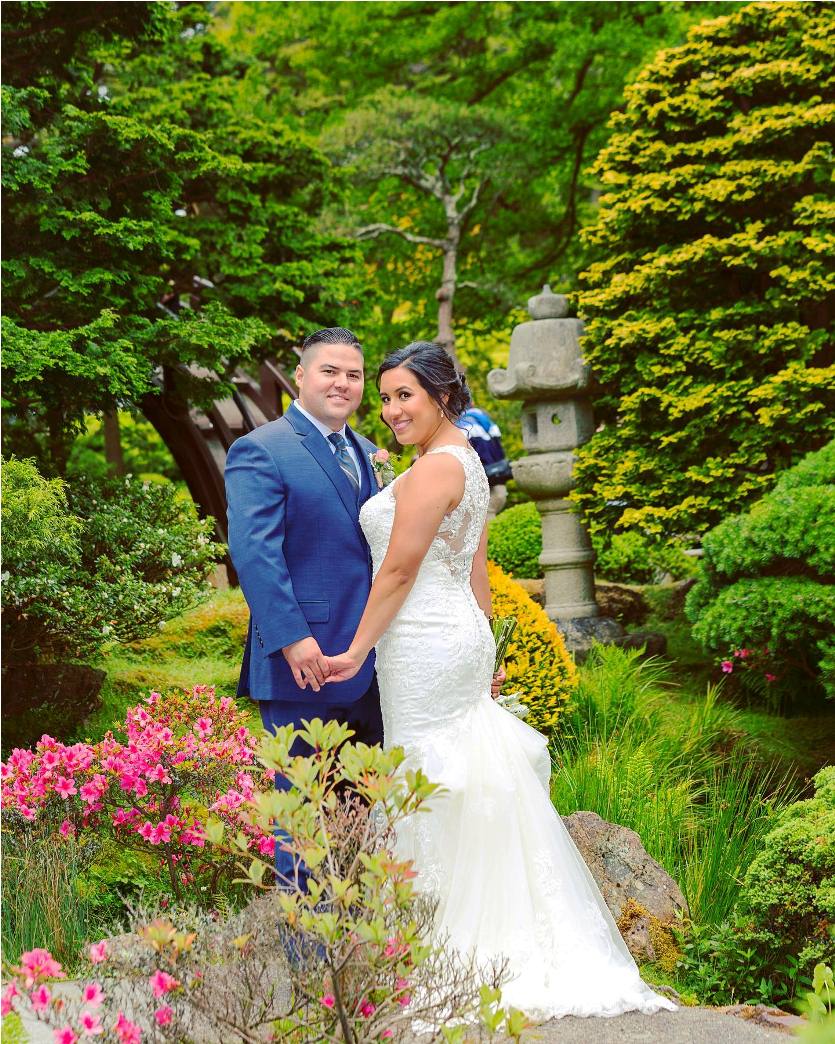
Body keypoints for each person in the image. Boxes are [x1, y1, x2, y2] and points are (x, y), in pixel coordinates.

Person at [323, 341, 676, 1020]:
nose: (391, 409)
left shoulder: (431, 473)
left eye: (405, 396)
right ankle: (453, 937)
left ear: (441, 396)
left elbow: (397, 572)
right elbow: (477, 572)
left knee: (429, 773)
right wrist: (487, 652)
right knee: (462, 772)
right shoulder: (466, 464)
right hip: (452, 636)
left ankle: (444, 948)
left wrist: (354, 651)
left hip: (422, 642)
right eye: (387, 396)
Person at [224, 327, 384, 889]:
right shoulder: (262, 448)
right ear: (300, 376)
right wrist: (293, 636)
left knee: (362, 815)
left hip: (371, 665)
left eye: (354, 374)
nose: (343, 383)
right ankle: (309, 961)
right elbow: (253, 552)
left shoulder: (369, 454)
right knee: (303, 818)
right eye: (330, 371)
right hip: (304, 665)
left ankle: (357, 953)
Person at [458, 397, 512, 520]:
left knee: (484, 522)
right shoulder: (488, 422)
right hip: (498, 478)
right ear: (472, 403)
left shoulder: (463, 425)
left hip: (479, 483)